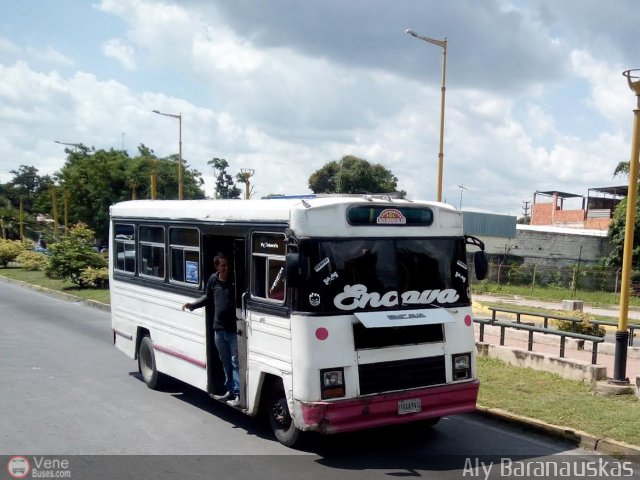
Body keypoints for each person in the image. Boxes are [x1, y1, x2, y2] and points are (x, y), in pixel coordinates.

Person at [182, 253, 240, 407]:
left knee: (235, 362)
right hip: (219, 330)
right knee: (226, 362)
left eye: (227, 265)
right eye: (223, 266)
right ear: (217, 267)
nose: (226, 268)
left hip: (233, 331)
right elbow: (207, 297)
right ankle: (230, 391)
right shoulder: (213, 280)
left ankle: (238, 394)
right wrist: (193, 305)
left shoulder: (235, 280)